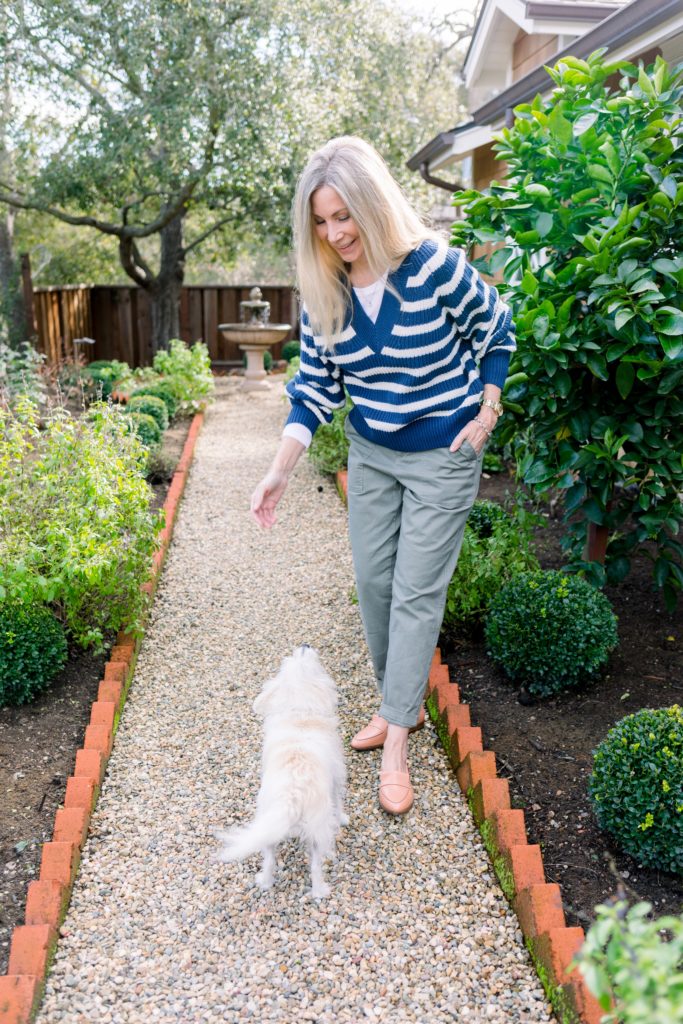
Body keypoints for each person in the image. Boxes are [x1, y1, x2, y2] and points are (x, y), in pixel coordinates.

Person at [251, 136, 515, 815]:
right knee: (372, 585)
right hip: (371, 452)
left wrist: (487, 410)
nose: (335, 232)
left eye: (344, 215)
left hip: (441, 453)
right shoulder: (325, 290)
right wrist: (279, 470)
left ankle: (396, 740)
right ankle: (404, 706)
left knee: (415, 593)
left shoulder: (430, 268)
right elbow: (313, 388)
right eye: (321, 220)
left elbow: (496, 328)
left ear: (372, 205)